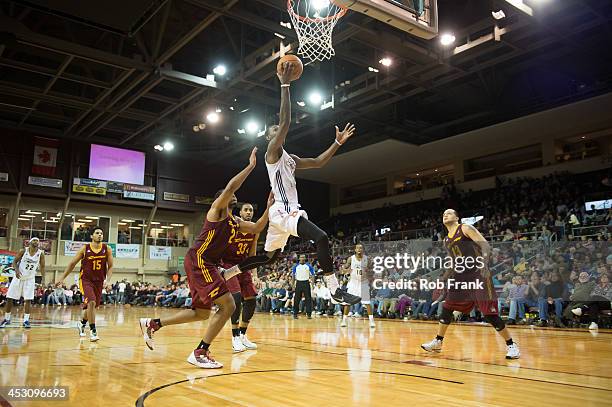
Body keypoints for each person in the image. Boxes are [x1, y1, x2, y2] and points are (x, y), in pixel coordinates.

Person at [220, 62, 360, 307]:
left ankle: (229, 272)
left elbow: (317, 162)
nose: (280, 131)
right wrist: (285, 85)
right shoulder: (271, 152)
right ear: (269, 137)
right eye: (275, 130)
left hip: (282, 211)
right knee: (322, 237)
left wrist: (336, 144)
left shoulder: (290, 159)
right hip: (284, 210)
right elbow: (284, 123)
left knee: (269, 258)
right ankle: (335, 289)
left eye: (280, 130)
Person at [139, 148, 272, 369]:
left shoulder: (236, 222)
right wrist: (250, 167)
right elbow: (230, 187)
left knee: (201, 312)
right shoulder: (217, 212)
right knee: (228, 305)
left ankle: (153, 324)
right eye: (230, 196)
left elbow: (258, 226)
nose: (234, 197)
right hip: (200, 260)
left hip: (206, 264)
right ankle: (200, 352)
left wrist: (268, 207)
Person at [421, 209, 520, 359]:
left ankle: (512, 345)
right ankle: (438, 341)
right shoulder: (446, 240)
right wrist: (444, 278)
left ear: (457, 217)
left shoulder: (465, 228)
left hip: (478, 274)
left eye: (449, 213)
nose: (445, 215)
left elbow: (485, 245)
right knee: (447, 308)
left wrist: (484, 263)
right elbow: (453, 262)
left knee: (489, 313)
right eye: (443, 214)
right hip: (461, 277)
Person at [56, 227, 113, 341]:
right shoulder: (85, 249)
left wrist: (108, 280)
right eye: (97, 233)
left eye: (101, 233)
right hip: (86, 280)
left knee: (91, 307)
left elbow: (110, 266)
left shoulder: (107, 249)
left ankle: (82, 323)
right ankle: (93, 331)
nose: (100, 235)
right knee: (91, 302)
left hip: (99, 281)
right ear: (92, 236)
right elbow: (72, 263)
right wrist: (62, 278)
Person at [222, 202, 259, 352]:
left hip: (244, 266)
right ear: (241, 213)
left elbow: (253, 253)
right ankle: (235, 336)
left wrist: (255, 274)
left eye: (251, 210)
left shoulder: (255, 229)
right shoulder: (234, 225)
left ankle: (243, 334)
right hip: (228, 266)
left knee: (251, 299)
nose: (249, 212)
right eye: (246, 210)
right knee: (236, 298)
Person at [0, 238, 45, 329]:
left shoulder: (41, 254)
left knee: (28, 300)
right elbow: (14, 262)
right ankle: (7, 319)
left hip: (30, 279)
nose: (36, 242)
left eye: (37, 241)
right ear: (30, 242)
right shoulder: (23, 251)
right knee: (9, 298)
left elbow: (43, 266)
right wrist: (16, 271)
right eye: (34, 240)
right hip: (18, 277)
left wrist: (43, 279)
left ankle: (26, 320)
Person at [341, 243, 375, 328]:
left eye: (361, 248)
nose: (359, 249)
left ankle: (371, 321)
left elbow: (371, 268)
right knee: (348, 302)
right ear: (355, 250)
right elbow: (344, 268)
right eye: (357, 248)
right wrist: (345, 270)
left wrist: (371, 267)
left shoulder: (367, 259)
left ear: (363, 249)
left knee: (367, 302)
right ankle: (344, 320)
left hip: (363, 282)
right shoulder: (351, 259)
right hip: (353, 282)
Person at [292, 255, 315, 320]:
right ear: (299, 258)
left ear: (305, 258)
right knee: (296, 299)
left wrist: (312, 284)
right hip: (298, 283)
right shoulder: (295, 266)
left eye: (303, 257)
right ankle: (295, 314)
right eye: (301, 257)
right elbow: (293, 275)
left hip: (306, 283)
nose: (302, 258)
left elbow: (313, 275)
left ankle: (309, 314)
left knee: (308, 299)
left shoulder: (309, 266)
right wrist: (293, 284)